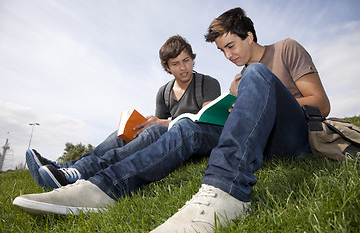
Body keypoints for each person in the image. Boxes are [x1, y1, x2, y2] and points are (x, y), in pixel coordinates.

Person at [150, 7, 330, 232]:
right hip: (264, 147)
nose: (227, 55)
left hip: (296, 136)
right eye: (221, 50)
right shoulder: (237, 82)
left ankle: (227, 190)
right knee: (191, 124)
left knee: (255, 72)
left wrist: (266, 101)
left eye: (230, 46)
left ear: (249, 36)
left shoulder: (286, 48)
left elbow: (321, 104)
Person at [25, 34, 221, 189]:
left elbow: (204, 122)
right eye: (175, 63)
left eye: (186, 60)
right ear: (167, 67)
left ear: (193, 59)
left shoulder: (207, 83)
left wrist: (159, 124)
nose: (183, 67)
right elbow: (159, 121)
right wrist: (147, 124)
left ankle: (81, 171)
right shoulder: (164, 92)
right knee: (127, 131)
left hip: (191, 144)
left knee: (153, 131)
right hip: (167, 140)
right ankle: (67, 168)